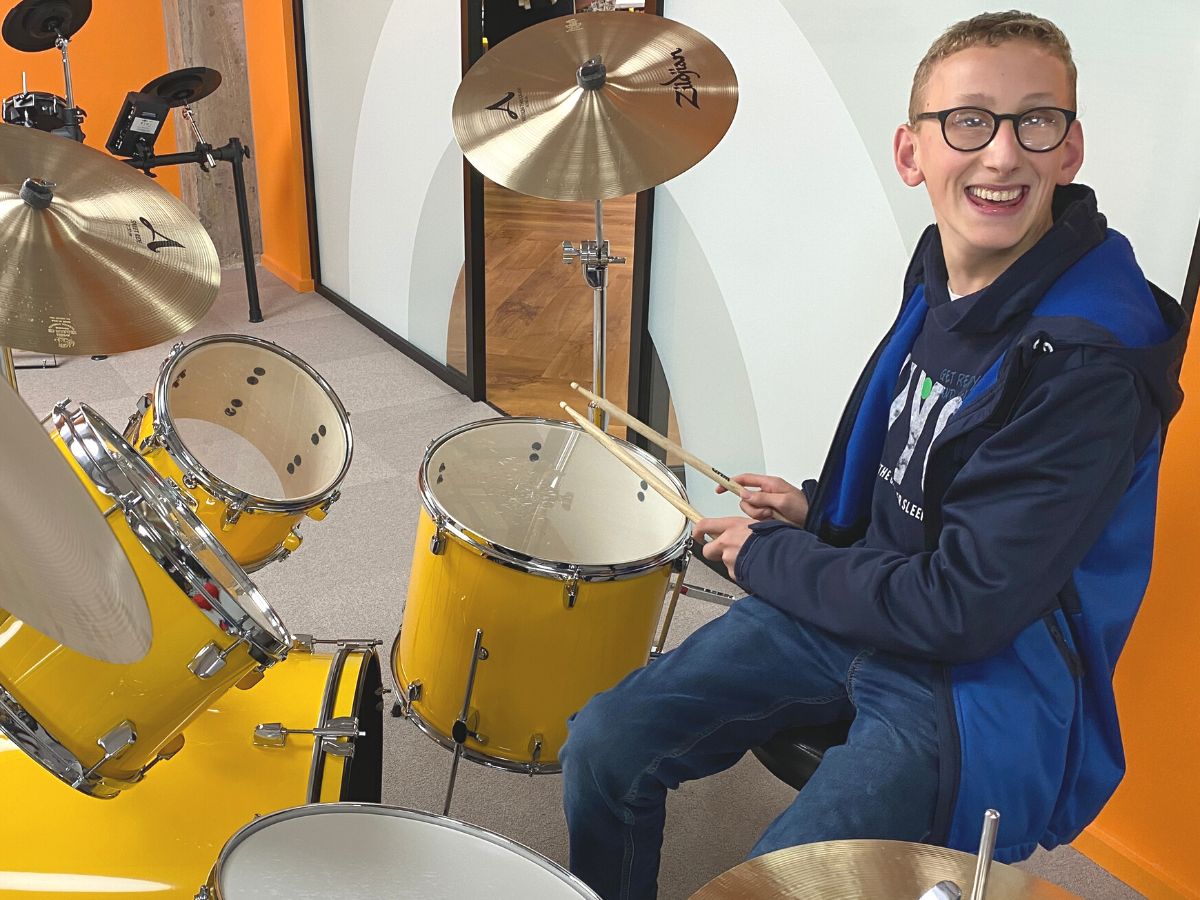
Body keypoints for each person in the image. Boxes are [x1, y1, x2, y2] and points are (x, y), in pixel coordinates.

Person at [558, 10, 1189, 899]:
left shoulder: (1089, 362)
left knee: (771, 886)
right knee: (603, 745)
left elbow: (965, 607)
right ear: (911, 152)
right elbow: (929, 470)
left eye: (1036, 122)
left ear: (1070, 149)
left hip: (980, 674)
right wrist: (818, 513)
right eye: (968, 121)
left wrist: (773, 558)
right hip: (876, 599)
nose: (1002, 154)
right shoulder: (944, 268)